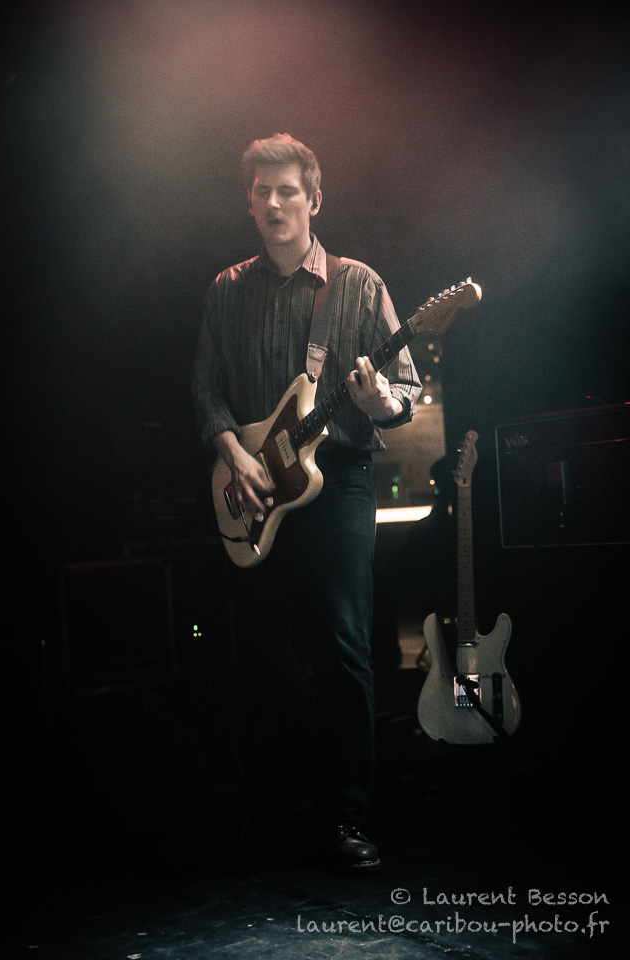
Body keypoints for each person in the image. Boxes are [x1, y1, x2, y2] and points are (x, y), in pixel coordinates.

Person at [193, 133, 421, 871]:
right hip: (252, 485)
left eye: (287, 190)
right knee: (261, 649)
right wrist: (234, 455)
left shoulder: (357, 285)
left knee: (343, 644)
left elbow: (405, 392)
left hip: (337, 481)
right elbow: (207, 391)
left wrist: (380, 400)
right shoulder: (227, 290)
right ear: (249, 204)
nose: (273, 203)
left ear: (314, 200)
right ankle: (295, 787)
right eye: (261, 192)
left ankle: (346, 816)